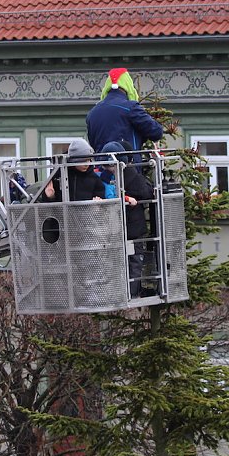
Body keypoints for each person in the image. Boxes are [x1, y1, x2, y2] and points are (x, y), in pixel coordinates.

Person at [99, 140, 155, 297]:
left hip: (121, 228)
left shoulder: (107, 177)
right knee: (134, 261)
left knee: (127, 261)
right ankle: (132, 292)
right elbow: (146, 192)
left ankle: (126, 292)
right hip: (132, 228)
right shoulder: (131, 175)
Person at [86, 68, 164, 162]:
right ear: (128, 86)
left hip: (101, 166)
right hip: (127, 167)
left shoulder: (92, 113)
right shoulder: (130, 107)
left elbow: (93, 143)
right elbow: (156, 132)